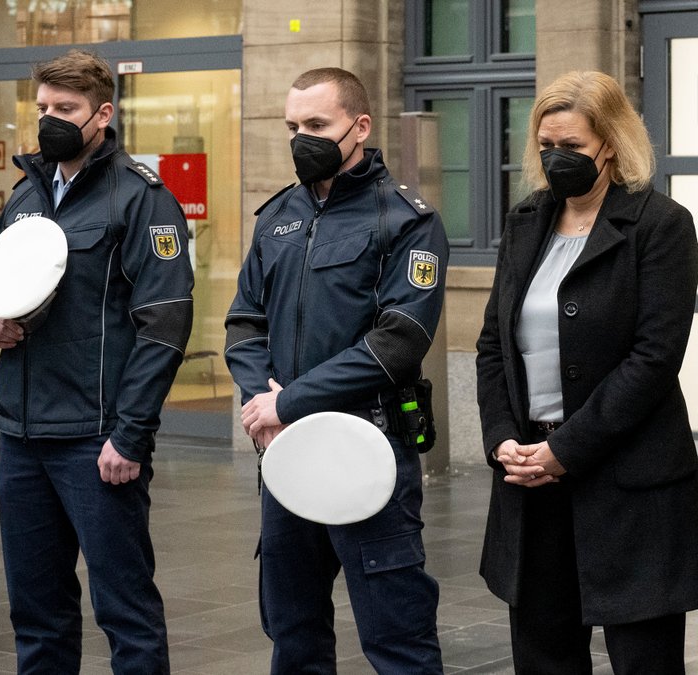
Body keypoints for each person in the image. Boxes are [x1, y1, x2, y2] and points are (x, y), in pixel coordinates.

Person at [0, 49, 193, 674]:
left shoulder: (143, 200)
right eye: (41, 108)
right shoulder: (24, 197)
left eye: (64, 110)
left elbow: (164, 325)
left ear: (102, 114)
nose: (48, 120)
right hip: (21, 436)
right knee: (36, 614)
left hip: (96, 440)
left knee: (125, 611)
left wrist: (130, 435)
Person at [224, 67, 446, 672]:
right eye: (293, 126)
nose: (302, 138)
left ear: (361, 127)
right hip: (285, 453)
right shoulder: (276, 218)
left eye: (317, 125)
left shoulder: (406, 220)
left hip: (366, 444)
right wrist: (261, 402)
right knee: (292, 632)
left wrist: (286, 401)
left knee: (396, 633)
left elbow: (398, 341)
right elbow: (244, 323)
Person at [476, 70, 698, 674]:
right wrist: (504, 443)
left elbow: (654, 359)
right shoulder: (526, 222)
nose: (556, 158)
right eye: (546, 146)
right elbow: (493, 346)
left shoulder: (661, 225)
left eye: (571, 147)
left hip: (629, 481)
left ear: (611, 143)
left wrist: (566, 450)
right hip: (530, 479)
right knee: (545, 655)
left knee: (642, 658)